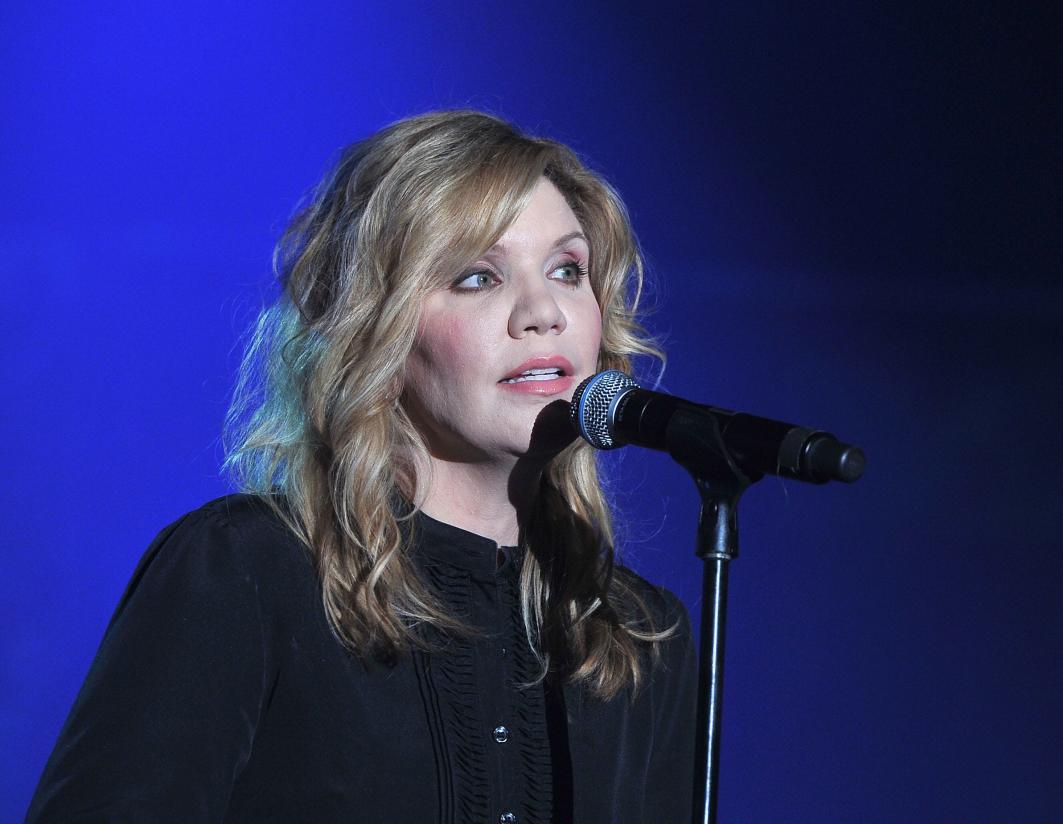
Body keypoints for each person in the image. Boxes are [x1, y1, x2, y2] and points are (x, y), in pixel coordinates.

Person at [27, 110, 697, 823]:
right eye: (477, 276)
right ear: (375, 327)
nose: (543, 312)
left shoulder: (634, 636)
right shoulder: (246, 572)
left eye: (567, 270)